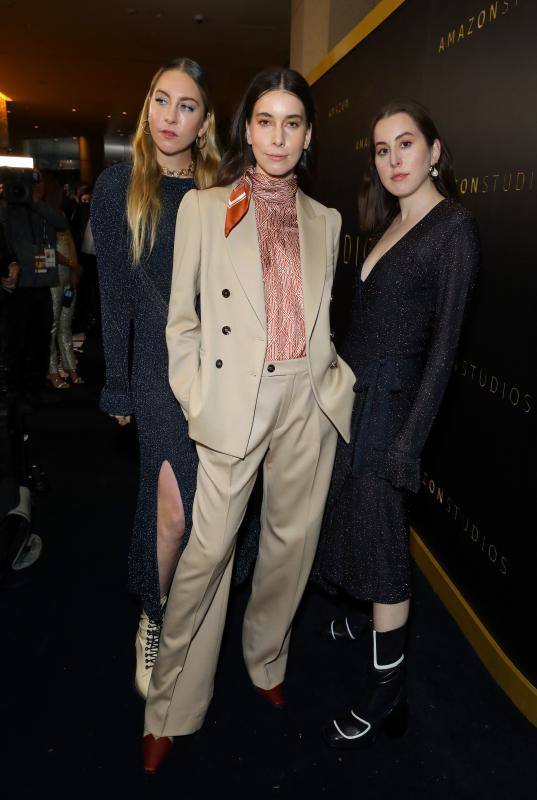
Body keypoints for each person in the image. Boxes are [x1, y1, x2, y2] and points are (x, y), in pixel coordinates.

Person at [142, 66, 355, 773]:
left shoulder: (326, 220)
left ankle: (266, 660)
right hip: (233, 399)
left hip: (307, 402)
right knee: (205, 558)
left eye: (291, 122)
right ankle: (170, 703)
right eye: (265, 121)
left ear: (308, 136)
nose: (277, 136)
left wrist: (330, 389)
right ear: (245, 130)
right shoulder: (205, 208)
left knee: (290, 547)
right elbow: (181, 326)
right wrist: (198, 400)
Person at [314, 100, 480, 748]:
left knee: (384, 550)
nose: (392, 160)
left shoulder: (453, 229)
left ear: (434, 151)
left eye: (404, 144)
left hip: (393, 411)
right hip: (355, 402)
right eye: (381, 149)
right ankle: (366, 620)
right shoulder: (388, 222)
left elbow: (444, 351)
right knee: (351, 520)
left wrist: (407, 444)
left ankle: (387, 693)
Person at [91, 57, 220, 700]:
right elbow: (115, 294)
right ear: (147, 109)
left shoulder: (224, 188)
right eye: (162, 101)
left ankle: (198, 613)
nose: (171, 117)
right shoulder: (120, 187)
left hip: (220, 370)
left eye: (186, 106)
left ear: (203, 122)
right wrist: (117, 383)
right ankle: (156, 613)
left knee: (211, 512)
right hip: (156, 369)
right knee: (171, 512)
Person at [2, 171, 67, 403]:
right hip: (19, 287)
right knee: (18, 341)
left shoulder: (43, 209)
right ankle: (16, 387)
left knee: (41, 339)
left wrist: (36, 201)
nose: (23, 191)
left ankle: (36, 385)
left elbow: (62, 223)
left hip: (43, 286)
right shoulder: (7, 212)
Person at [43, 173, 83, 389]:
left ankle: (71, 367)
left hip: (68, 274)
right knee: (54, 324)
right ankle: (52, 371)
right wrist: (70, 263)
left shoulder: (58, 214)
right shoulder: (41, 216)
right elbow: (47, 250)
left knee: (66, 323)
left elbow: (70, 241)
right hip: (53, 275)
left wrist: (75, 267)